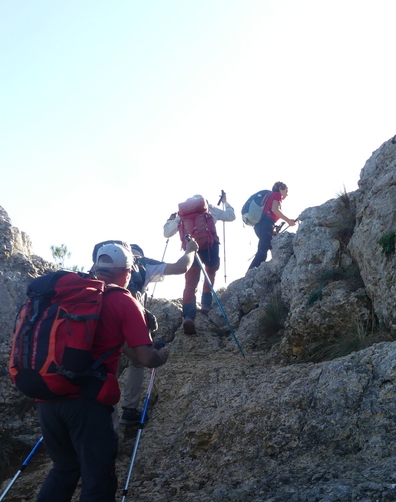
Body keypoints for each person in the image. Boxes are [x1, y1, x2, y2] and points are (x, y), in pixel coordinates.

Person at [11, 241, 191, 502]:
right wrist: (162, 354)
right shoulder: (123, 299)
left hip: (47, 398)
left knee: (63, 470)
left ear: (96, 268)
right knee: (98, 481)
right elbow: (144, 357)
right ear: (127, 272)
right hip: (88, 406)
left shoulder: (66, 296)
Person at [119, 241, 198, 425]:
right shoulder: (142, 264)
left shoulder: (103, 265)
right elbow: (181, 267)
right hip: (125, 320)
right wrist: (191, 250)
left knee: (106, 361)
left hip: (99, 321)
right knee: (138, 361)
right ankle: (129, 411)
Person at [163, 194, 236, 335]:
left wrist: (169, 220)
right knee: (211, 272)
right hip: (210, 247)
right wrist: (226, 203)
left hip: (191, 249)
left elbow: (166, 233)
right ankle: (206, 304)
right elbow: (231, 216)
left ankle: (189, 317)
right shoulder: (210, 208)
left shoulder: (181, 215)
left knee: (191, 282)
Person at [249, 182, 296, 270]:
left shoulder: (270, 196)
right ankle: (248, 277)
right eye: (286, 191)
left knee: (269, 247)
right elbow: (275, 210)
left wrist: (271, 232)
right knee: (262, 253)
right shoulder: (277, 195)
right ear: (281, 188)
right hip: (266, 224)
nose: (287, 194)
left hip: (260, 226)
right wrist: (288, 220)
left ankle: (273, 269)